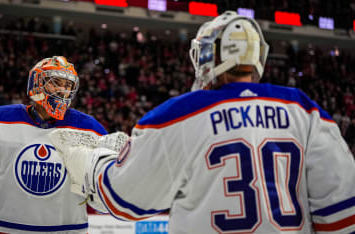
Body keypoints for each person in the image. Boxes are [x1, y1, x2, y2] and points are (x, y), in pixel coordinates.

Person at [52, 11, 355, 233]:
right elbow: (342, 215)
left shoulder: (179, 115)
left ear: (209, 55)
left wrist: (92, 162)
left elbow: (125, 199)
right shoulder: (306, 110)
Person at [0, 56, 109, 233]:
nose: (62, 91)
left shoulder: (91, 131)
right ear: (36, 83)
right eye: (55, 82)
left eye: (68, 86)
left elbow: (106, 193)